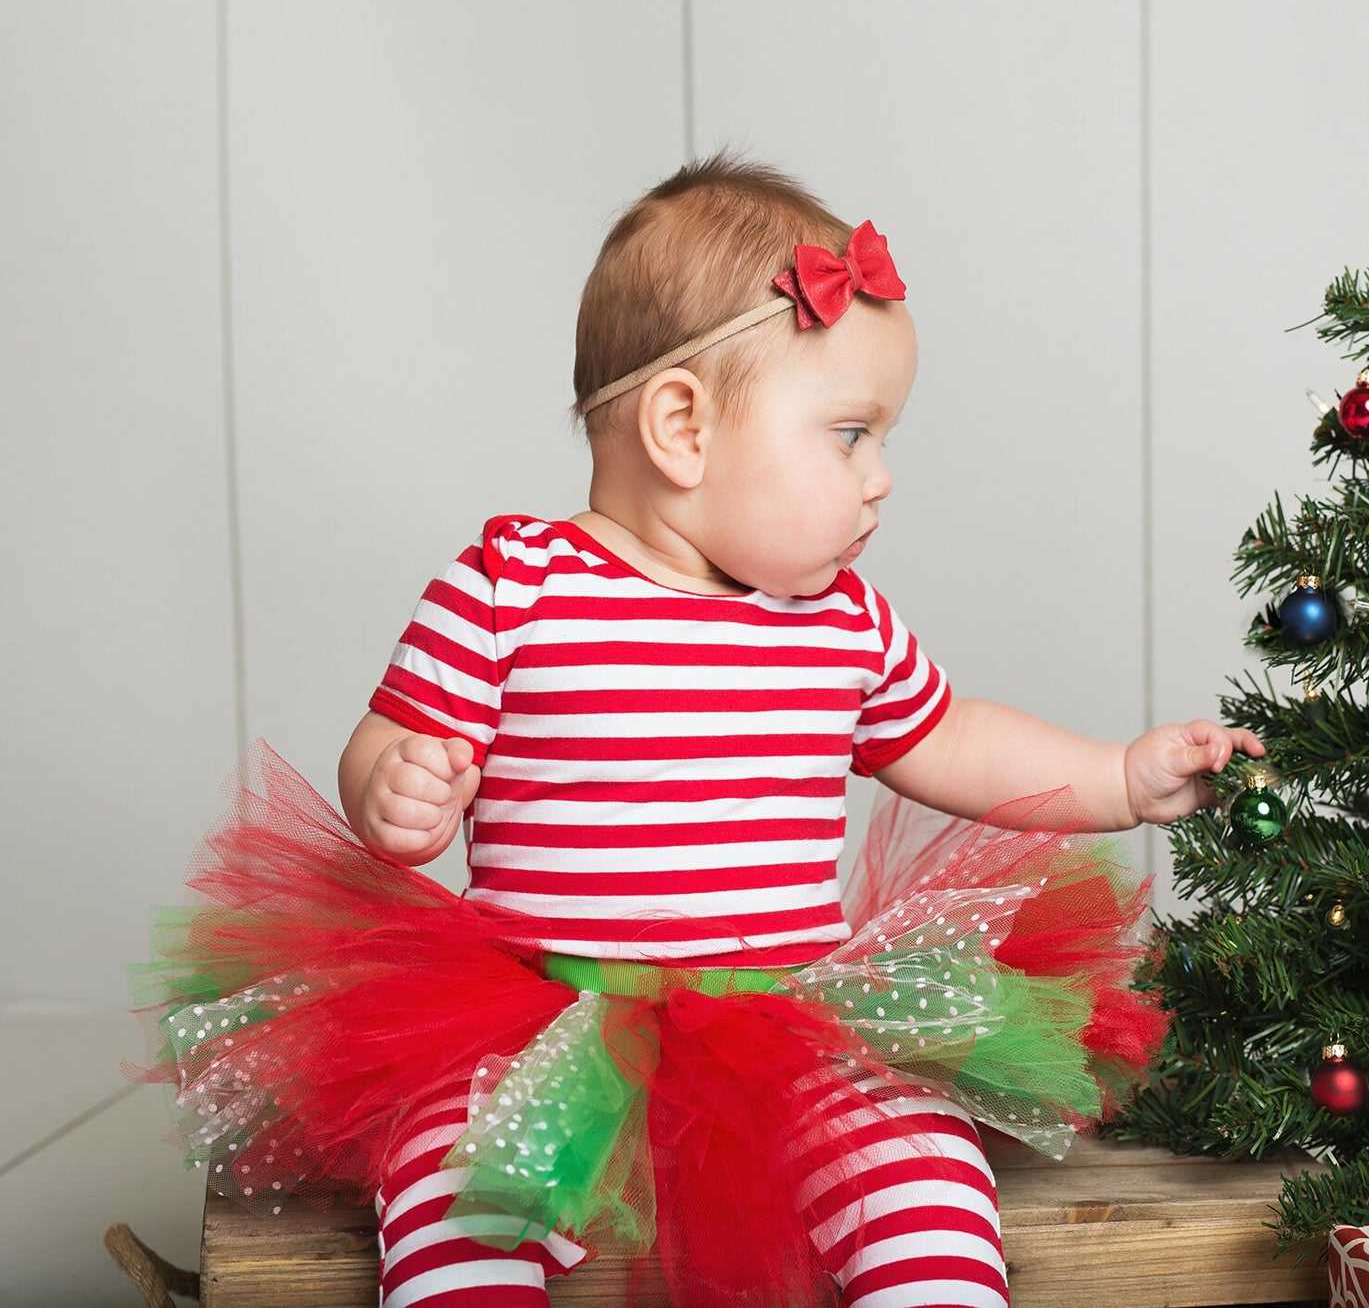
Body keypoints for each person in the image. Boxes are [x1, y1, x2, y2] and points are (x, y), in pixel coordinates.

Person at [137, 155, 1262, 1308]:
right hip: (542, 1019)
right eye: (848, 435)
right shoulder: (513, 585)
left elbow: (954, 739)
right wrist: (395, 787)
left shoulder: (837, 619)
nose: (879, 480)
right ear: (680, 425)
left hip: (784, 1019)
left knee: (921, 1177)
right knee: (460, 1193)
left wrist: (1118, 775)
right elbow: (392, 736)